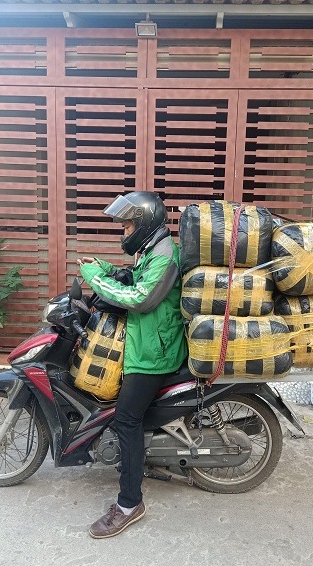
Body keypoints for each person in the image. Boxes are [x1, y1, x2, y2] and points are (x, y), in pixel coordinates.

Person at [78, 190, 188, 539]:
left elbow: (140, 298)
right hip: (145, 344)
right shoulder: (154, 249)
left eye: (126, 226)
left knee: (126, 420)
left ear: (143, 224)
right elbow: (136, 277)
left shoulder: (165, 255)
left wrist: (95, 278)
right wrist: (107, 268)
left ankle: (129, 504)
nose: (123, 232)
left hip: (154, 354)